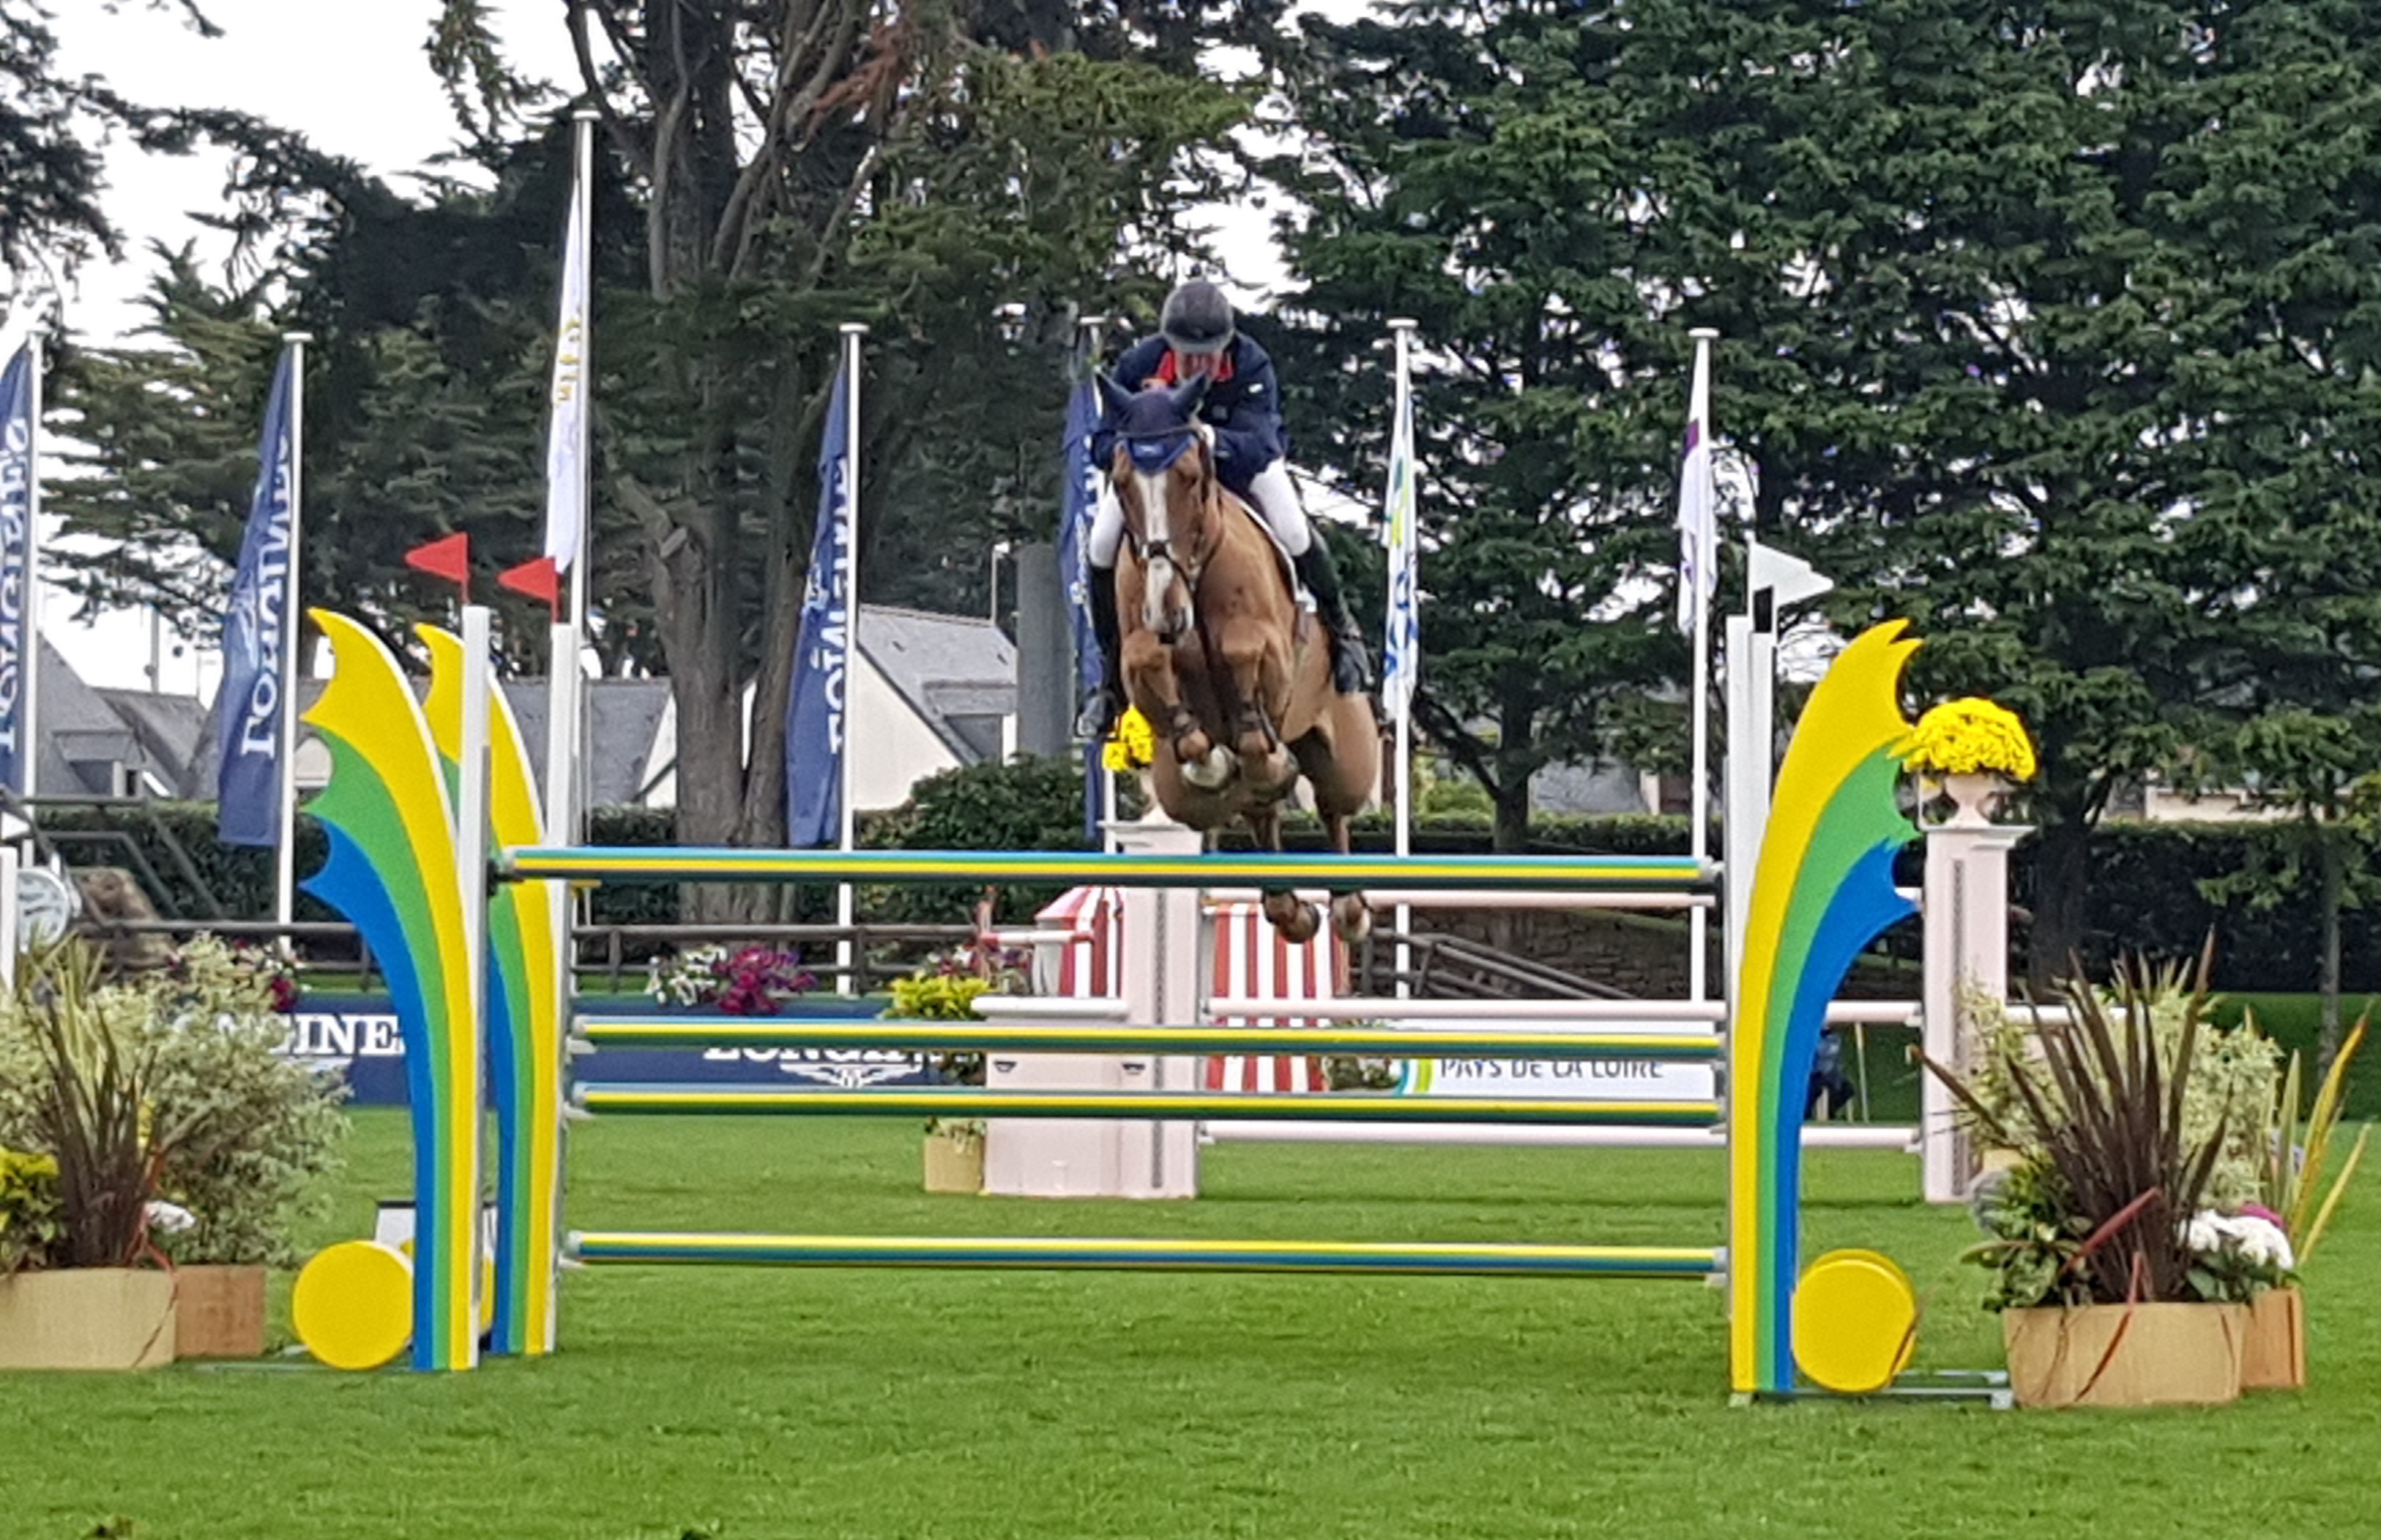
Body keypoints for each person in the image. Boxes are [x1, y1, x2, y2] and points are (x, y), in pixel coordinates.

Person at [1079, 279, 1371, 739]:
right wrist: (1140, 448)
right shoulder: (1140, 364)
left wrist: (1209, 441)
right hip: (1161, 482)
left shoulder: (1251, 362)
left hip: (1238, 466)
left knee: (1294, 529)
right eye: (1189, 354)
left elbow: (1262, 442)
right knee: (1099, 546)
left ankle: (1345, 632)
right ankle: (1107, 680)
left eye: (1209, 353)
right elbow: (1101, 441)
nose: (1200, 365)